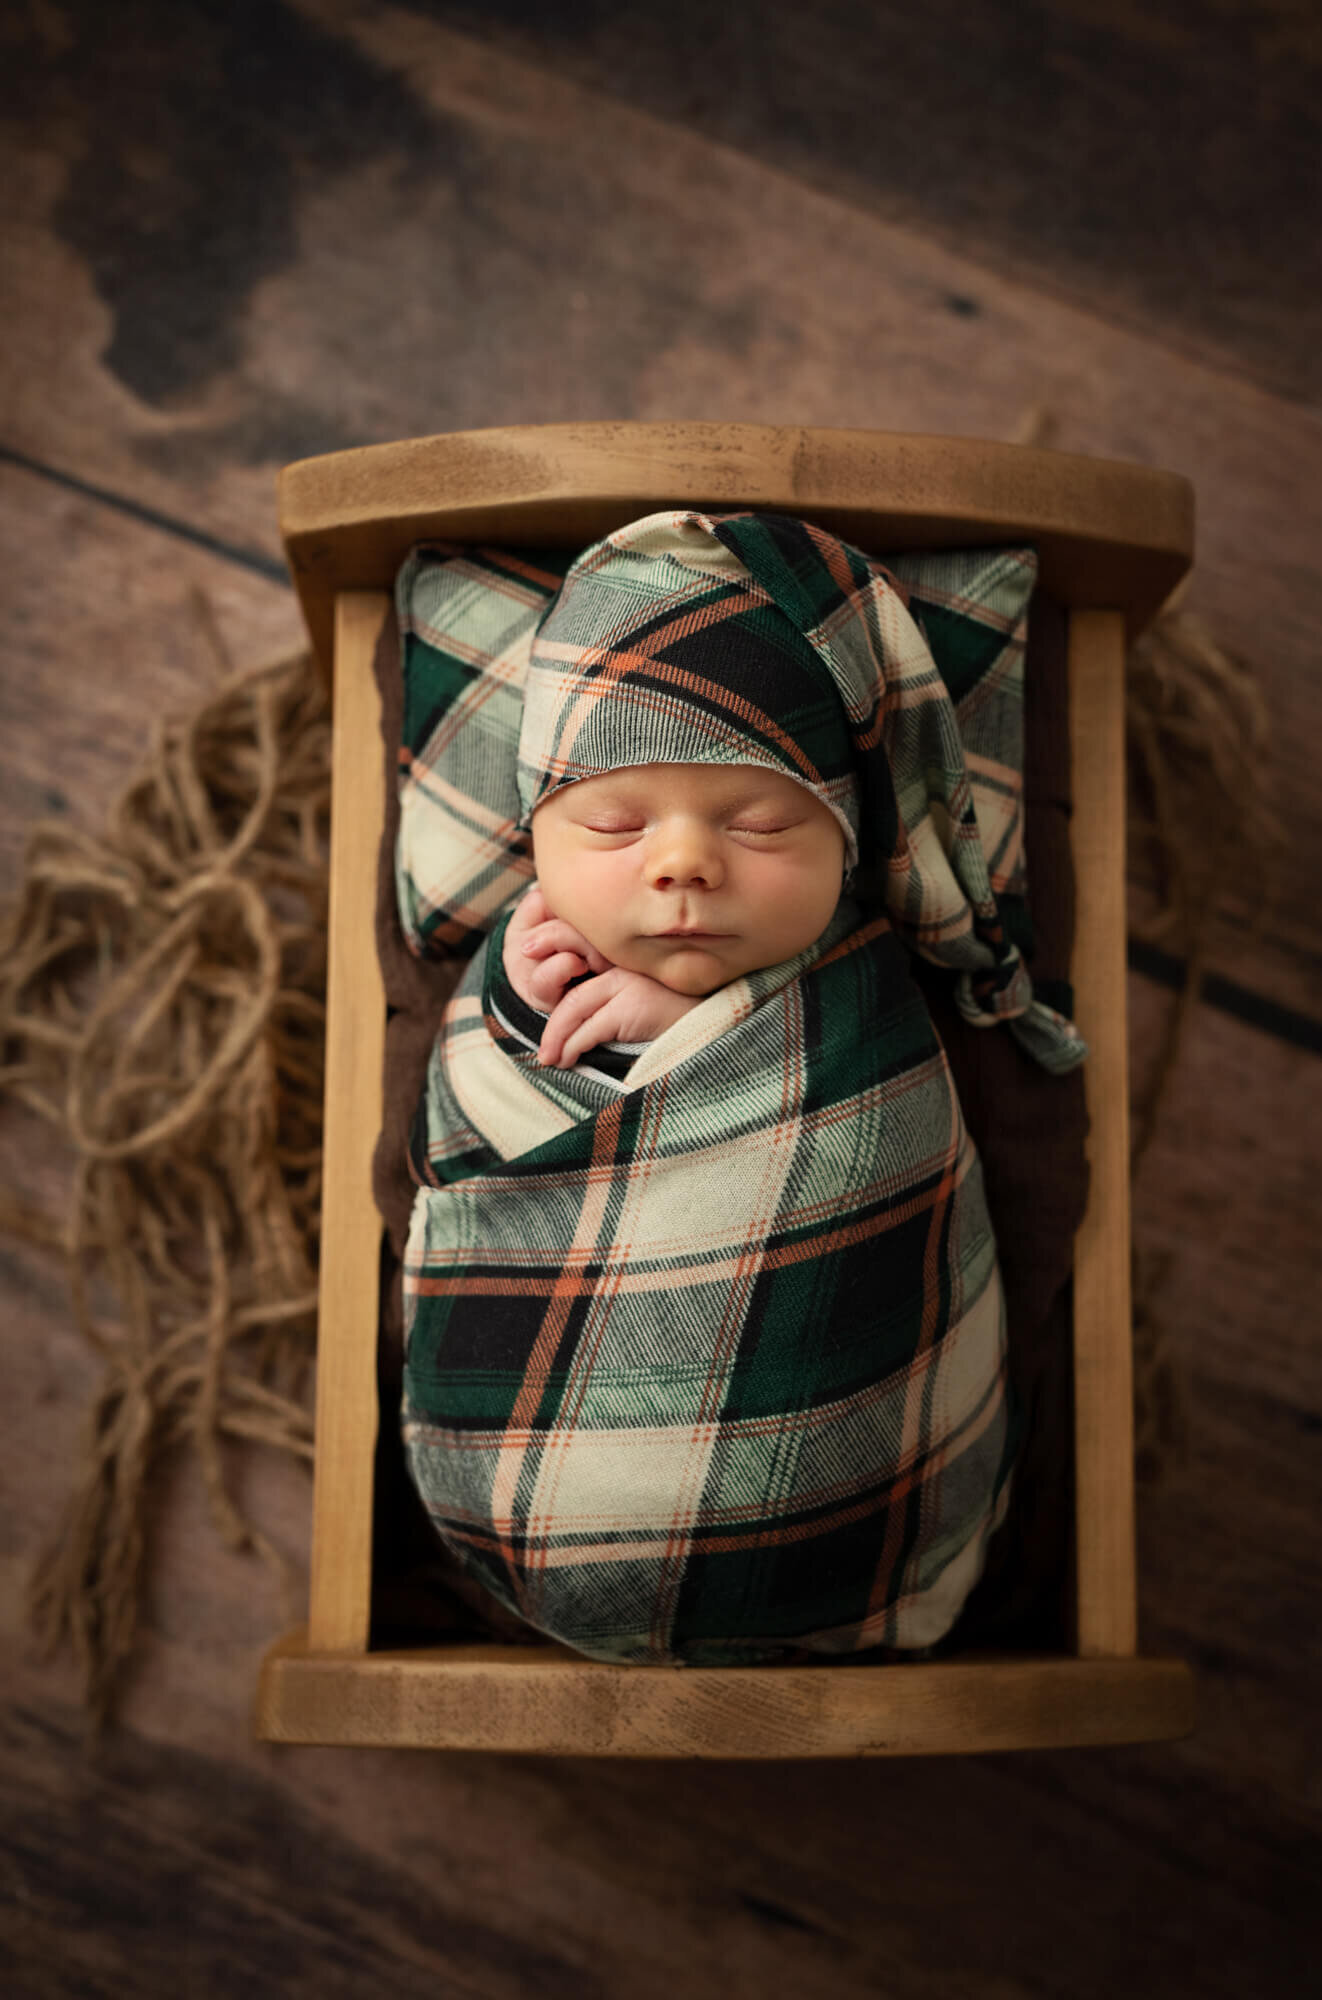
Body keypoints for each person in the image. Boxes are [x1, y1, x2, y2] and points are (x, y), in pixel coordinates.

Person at [501, 760, 848, 1070]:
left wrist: (693, 1034)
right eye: (613, 826)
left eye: (762, 826)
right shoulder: (535, 942)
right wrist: (521, 1004)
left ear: (846, 846)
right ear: (536, 847)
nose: (683, 862)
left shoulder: (875, 993)